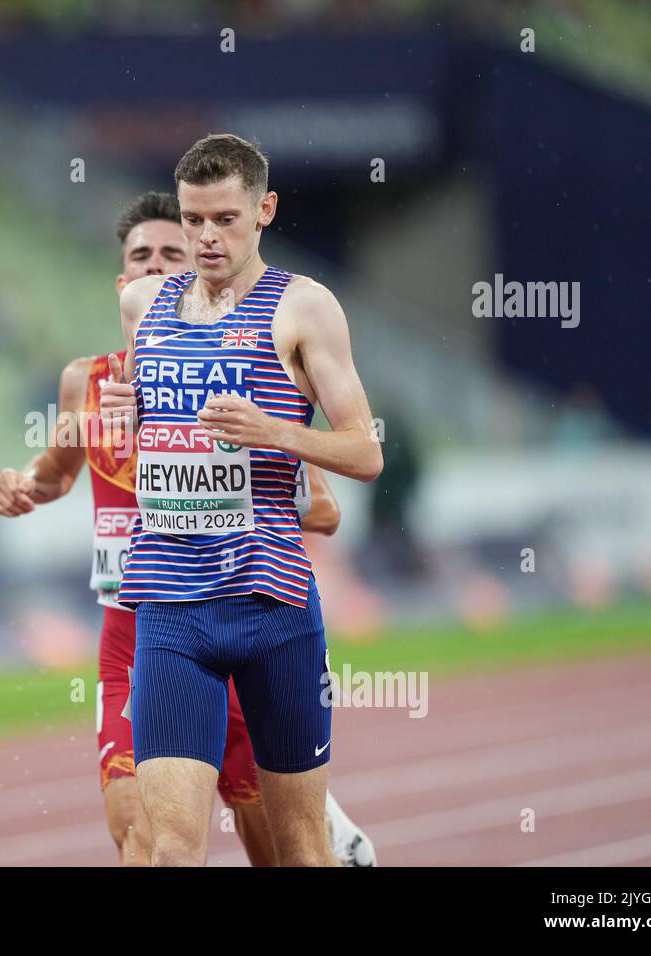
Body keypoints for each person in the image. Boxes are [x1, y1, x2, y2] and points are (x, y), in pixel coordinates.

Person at [0, 190, 374, 866]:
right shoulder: (89, 383)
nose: (158, 269)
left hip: (237, 615)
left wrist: (232, 490)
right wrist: (23, 486)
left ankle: (324, 829)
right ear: (122, 281)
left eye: (174, 256)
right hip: (136, 635)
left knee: (277, 847)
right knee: (143, 836)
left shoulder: (240, 374)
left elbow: (324, 511)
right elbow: (55, 473)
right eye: (143, 257)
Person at [101, 135, 382, 866]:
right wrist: (125, 416)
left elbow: (365, 451)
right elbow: (149, 432)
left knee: (299, 850)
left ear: (265, 210)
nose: (204, 237)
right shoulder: (142, 304)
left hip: (274, 611)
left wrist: (273, 430)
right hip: (170, 610)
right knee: (171, 852)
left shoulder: (305, 308)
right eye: (193, 220)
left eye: (224, 219)